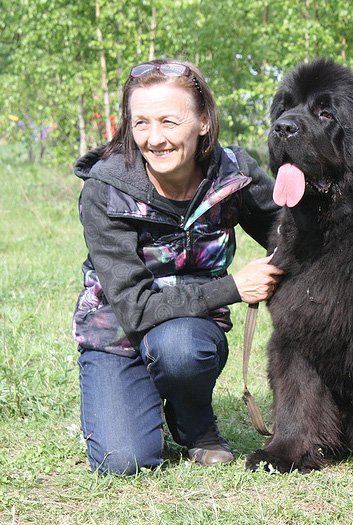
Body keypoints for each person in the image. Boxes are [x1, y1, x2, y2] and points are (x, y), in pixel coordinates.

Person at [72, 59, 283, 475]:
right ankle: (136, 393)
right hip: (116, 334)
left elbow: (288, 232)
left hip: (187, 334)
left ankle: (193, 423)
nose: (155, 139)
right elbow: (134, 309)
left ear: (203, 121)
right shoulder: (106, 189)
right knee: (123, 461)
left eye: (170, 121)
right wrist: (235, 287)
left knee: (182, 349)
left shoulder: (233, 174)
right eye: (141, 123)